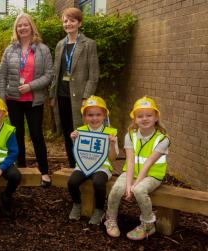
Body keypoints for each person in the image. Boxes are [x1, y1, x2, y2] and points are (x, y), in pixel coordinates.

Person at [0, 13, 53, 187]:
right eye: (19, 25)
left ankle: (44, 172)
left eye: (25, 25)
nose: (22, 28)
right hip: (13, 99)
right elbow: (2, 76)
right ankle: (20, 169)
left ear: (31, 27)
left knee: (37, 135)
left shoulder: (43, 49)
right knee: (17, 135)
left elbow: (49, 75)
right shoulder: (10, 50)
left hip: (34, 99)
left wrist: (31, 86)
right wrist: (2, 101)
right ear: (16, 29)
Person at [104, 96, 170, 240]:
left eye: (149, 115)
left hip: (152, 175)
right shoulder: (130, 135)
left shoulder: (163, 139)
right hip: (131, 172)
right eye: (140, 116)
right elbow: (130, 161)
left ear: (156, 117)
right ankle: (111, 220)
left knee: (139, 190)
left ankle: (148, 225)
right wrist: (128, 186)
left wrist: (134, 186)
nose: (144, 118)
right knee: (116, 189)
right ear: (134, 118)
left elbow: (148, 164)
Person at [49, 7, 99, 168]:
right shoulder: (59, 45)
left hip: (80, 98)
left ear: (79, 22)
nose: (68, 24)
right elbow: (56, 72)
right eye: (65, 21)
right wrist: (52, 95)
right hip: (62, 96)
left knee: (81, 132)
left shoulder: (88, 44)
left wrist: (86, 97)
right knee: (67, 132)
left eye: (72, 20)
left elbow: (94, 75)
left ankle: (83, 165)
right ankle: (72, 165)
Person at [67, 96, 118, 225]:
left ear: (104, 115)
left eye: (98, 114)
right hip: (84, 165)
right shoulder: (80, 131)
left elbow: (112, 158)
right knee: (72, 182)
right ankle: (77, 204)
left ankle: (99, 210)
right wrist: (73, 139)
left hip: (102, 167)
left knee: (98, 182)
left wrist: (112, 144)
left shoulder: (110, 133)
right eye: (90, 115)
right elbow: (78, 152)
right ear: (84, 117)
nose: (94, 118)